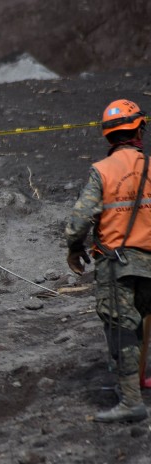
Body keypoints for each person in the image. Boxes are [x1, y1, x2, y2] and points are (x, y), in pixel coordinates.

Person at [65, 99, 151, 424]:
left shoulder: (102, 171)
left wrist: (75, 249)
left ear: (108, 137)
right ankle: (137, 383)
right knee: (141, 322)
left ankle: (131, 400)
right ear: (140, 128)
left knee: (122, 329)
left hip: (118, 265)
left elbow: (78, 222)